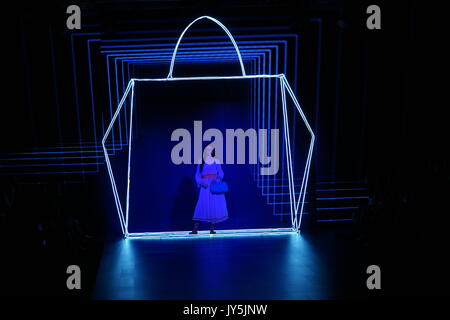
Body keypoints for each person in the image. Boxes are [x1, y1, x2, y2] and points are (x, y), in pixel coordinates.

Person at [189, 145, 228, 234]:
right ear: (205, 151)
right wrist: (200, 181)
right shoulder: (201, 161)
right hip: (205, 186)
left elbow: (221, 172)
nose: (209, 151)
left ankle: (211, 229)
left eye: (211, 149)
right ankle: (195, 229)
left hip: (214, 185)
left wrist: (217, 178)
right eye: (208, 149)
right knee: (202, 204)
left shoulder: (216, 160)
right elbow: (197, 174)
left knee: (214, 205)